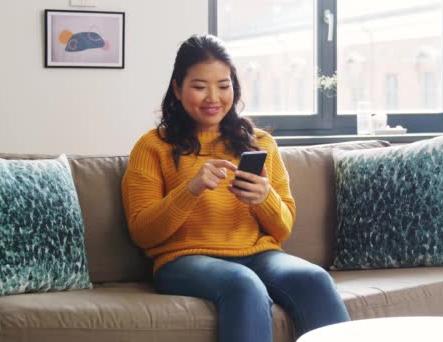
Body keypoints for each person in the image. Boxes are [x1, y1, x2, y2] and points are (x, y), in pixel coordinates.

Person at [121, 34, 350, 342]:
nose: (213, 97)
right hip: (181, 260)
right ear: (177, 89)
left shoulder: (260, 143)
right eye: (200, 86)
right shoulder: (152, 147)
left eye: (224, 85)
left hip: (258, 254)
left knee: (314, 278)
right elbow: (142, 232)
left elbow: (282, 230)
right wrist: (190, 189)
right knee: (242, 282)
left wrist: (263, 198)